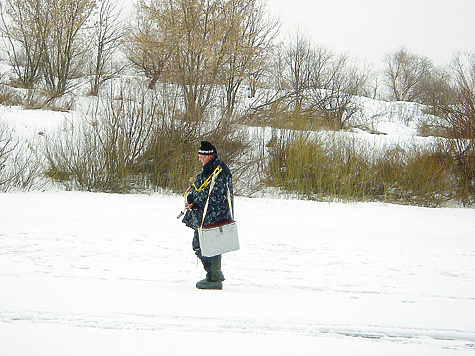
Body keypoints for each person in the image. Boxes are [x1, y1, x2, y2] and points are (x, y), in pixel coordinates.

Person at [182, 141, 234, 290]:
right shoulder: (213, 169)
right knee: (207, 246)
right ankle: (214, 276)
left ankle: (214, 278)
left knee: (204, 246)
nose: (198, 159)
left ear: (208, 156)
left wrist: (194, 199)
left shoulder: (218, 171)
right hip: (211, 215)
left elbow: (214, 195)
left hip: (212, 216)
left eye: (200, 156)